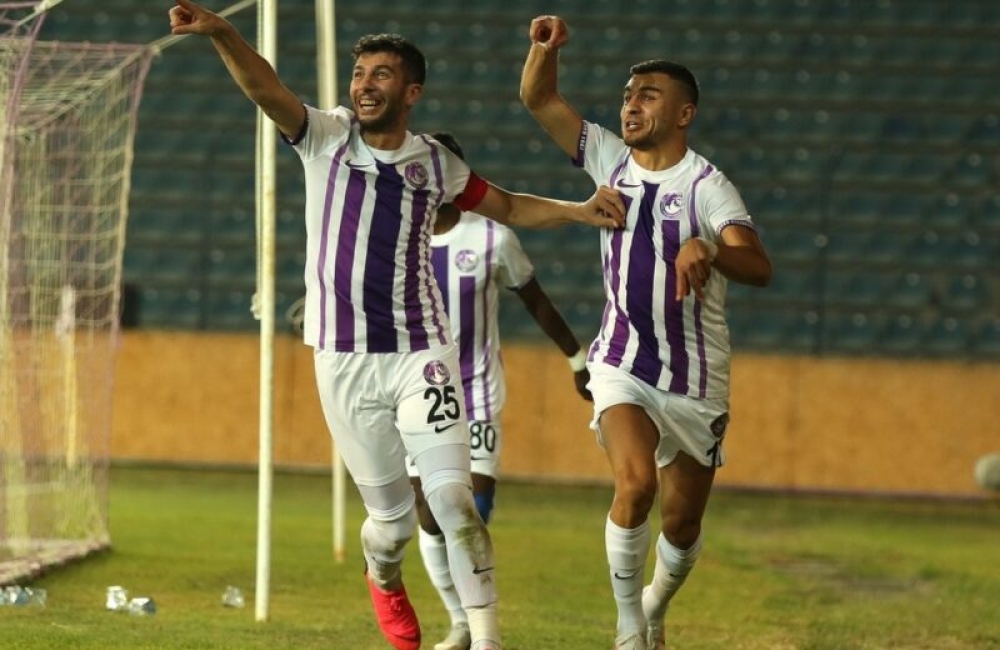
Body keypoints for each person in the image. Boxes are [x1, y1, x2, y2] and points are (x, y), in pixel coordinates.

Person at [167, 4, 624, 650]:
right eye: (359, 74)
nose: (364, 85)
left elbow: (509, 206)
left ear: (411, 92)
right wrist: (221, 32)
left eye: (381, 74)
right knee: (392, 525)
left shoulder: (435, 164)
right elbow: (265, 88)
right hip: (343, 358)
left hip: (421, 351)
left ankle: (487, 639)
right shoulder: (325, 136)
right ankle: (382, 573)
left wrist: (579, 210)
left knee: (454, 501)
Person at [520, 16, 773, 650]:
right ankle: (630, 628)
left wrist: (710, 248)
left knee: (681, 528)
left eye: (648, 95)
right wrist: (543, 50)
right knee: (634, 486)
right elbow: (539, 100)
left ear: (684, 113)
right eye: (628, 95)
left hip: (696, 377)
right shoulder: (609, 158)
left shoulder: (709, 187)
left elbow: (758, 266)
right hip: (620, 360)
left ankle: (655, 606)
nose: (631, 105)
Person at [408, 131, 593, 650]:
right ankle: (461, 622)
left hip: (477, 393)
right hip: (416, 393)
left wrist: (577, 359)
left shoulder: (492, 238)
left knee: (471, 510)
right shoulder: (399, 238)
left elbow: (535, 300)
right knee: (429, 515)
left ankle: (480, 624)